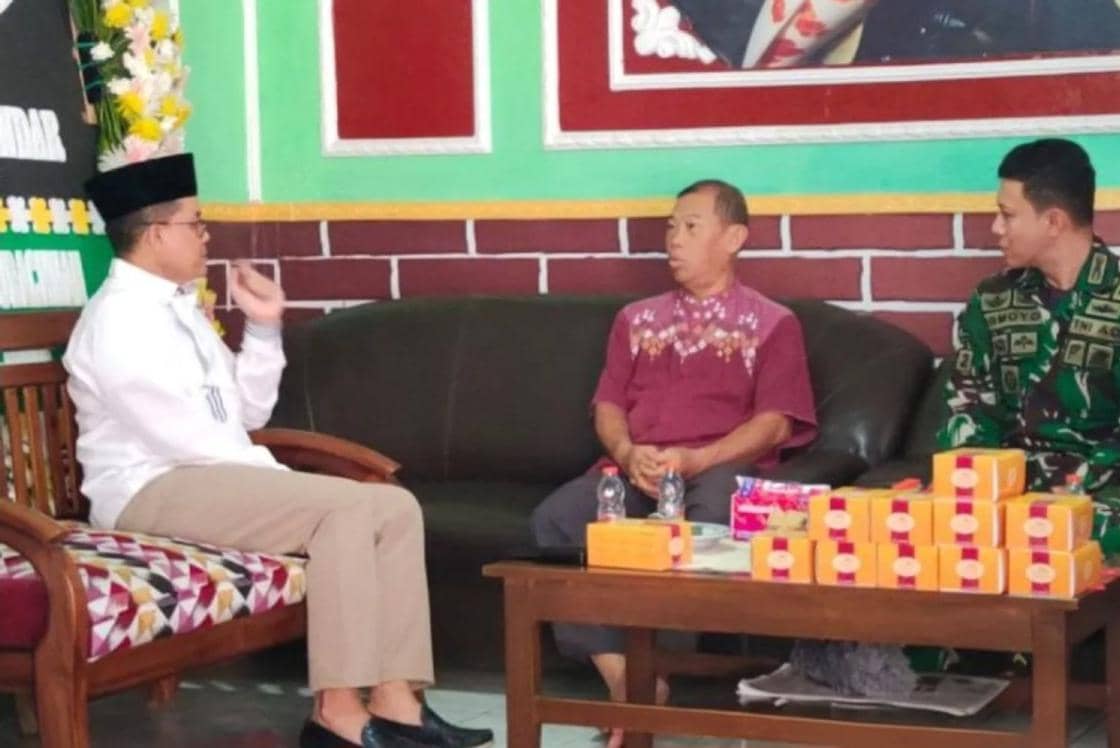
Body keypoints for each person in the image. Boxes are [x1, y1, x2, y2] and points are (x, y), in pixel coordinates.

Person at [64, 153, 492, 748]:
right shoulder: (117, 321)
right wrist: (284, 477)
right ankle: (336, 712)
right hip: (149, 489)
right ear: (157, 233)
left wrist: (264, 326)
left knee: (394, 506)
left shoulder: (178, 306)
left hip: (208, 475)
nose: (206, 235)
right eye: (196, 223)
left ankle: (397, 701)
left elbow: (245, 415)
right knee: (346, 508)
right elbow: (190, 441)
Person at [531, 179, 817, 747]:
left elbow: (776, 423)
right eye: (670, 227)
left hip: (714, 468)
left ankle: (658, 674)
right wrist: (626, 452)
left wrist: (698, 458)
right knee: (557, 519)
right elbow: (608, 405)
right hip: (637, 467)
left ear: (734, 238)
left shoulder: (772, 323)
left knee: (698, 528)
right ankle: (629, 681)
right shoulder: (635, 319)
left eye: (690, 227)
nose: (674, 240)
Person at [938, 138, 1120, 556]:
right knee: (935, 526)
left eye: (1007, 215)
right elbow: (969, 406)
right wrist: (978, 486)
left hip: (1110, 489)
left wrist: (1065, 489)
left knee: (1064, 531)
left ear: (1053, 221)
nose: (996, 228)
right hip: (1010, 487)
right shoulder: (992, 301)